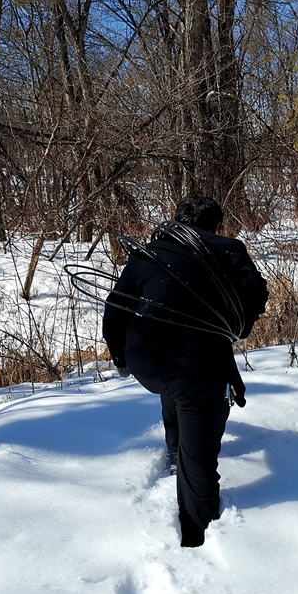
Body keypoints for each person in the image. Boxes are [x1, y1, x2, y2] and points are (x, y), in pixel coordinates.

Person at [102, 196, 268, 547]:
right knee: (199, 444)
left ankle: (176, 453)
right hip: (196, 368)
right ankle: (199, 532)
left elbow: (115, 309)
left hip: (146, 363)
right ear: (215, 227)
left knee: (174, 388)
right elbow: (253, 301)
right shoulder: (227, 248)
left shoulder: (147, 254)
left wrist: (120, 358)